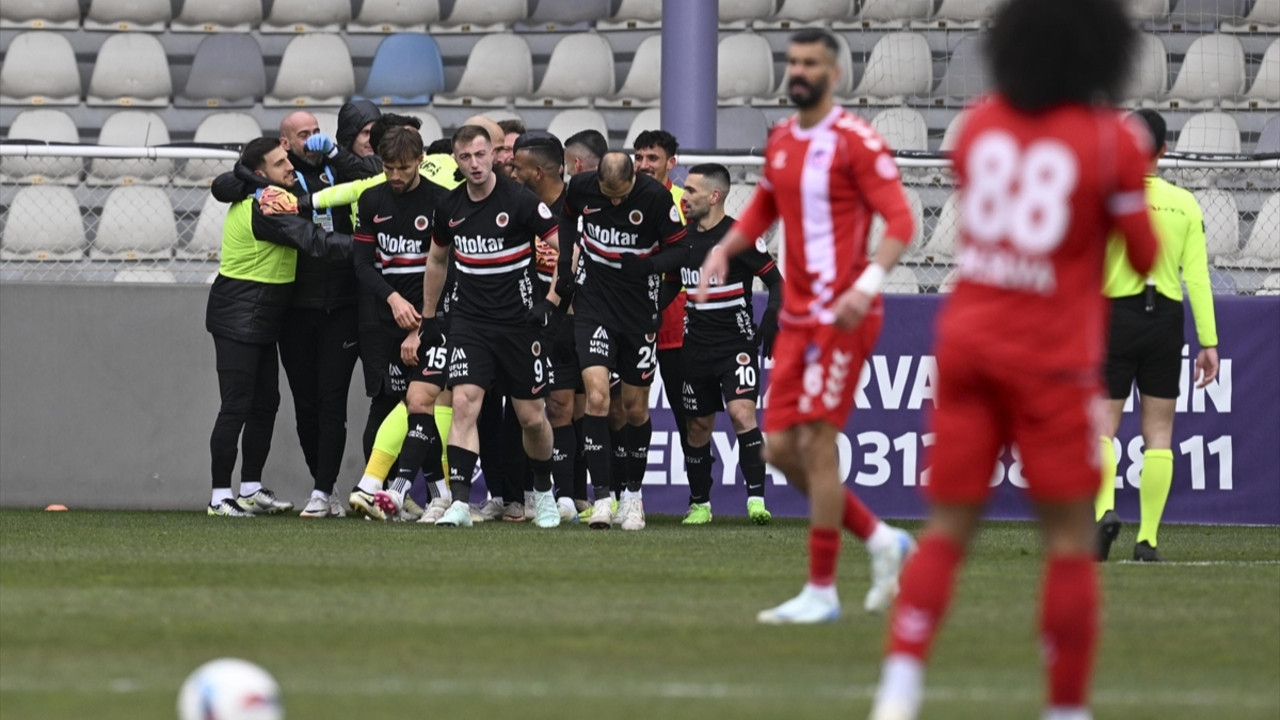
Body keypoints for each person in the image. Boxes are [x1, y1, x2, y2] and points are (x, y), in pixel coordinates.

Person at [862, 1, 1159, 717]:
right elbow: (1144, 254)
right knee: (1065, 539)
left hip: (966, 341)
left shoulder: (983, 127)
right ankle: (1065, 706)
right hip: (1050, 357)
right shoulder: (1110, 140)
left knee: (949, 529)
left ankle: (899, 688)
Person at [695, 29, 916, 623]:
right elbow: (765, 207)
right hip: (796, 318)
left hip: (845, 315)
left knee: (817, 444)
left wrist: (866, 287)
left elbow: (900, 222)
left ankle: (822, 589)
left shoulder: (856, 142)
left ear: (834, 75)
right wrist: (722, 252)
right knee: (779, 450)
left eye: (811, 62)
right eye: (793, 61)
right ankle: (881, 539)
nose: (799, 70)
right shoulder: (785, 141)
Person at [425, 125, 565, 530]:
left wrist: (551, 304)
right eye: (466, 157)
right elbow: (437, 261)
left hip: (520, 326)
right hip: (470, 323)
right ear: (456, 159)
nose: (474, 164)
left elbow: (567, 252)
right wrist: (429, 317)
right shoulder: (448, 206)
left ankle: (543, 492)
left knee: (531, 418)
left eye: (481, 155)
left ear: (494, 155)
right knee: (465, 404)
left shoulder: (520, 200)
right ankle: (461, 503)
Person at [1095, 109, 1219, 563]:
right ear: (1164, 150)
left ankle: (1103, 513)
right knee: (1159, 433)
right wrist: (1209, 341)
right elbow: (1199, 279)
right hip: (1165, 319)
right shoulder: (1184, 203)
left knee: (1101, 427)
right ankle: (1147, 541)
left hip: (1115, 314)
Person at [205, 137, 352, 517]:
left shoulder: (266, 195)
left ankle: (250, 488)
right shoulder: (264, 206)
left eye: (288, 158)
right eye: (279, 162)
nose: (290, 166)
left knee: (265, 403)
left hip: (261, 317)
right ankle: (220, 495)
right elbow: (313, 240)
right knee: (236, 405)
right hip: (239, 315)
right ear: (259, 174)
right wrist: (367, 248)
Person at [556, 152, 689, 531]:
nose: (614, 202)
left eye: (621, 195)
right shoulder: (581, 187)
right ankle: (603, 498)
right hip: (594, 304)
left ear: (634, 179)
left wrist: (649, 267)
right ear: (597, 180)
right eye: (607, 194)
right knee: (597, 397)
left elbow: (682, 250)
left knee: (633, 409)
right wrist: (567, 261)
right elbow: (566, 217)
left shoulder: (656, 198)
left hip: (637, 310)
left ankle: (632, 495)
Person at [330, 126, 455, 522]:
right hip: (385, 319)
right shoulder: (371, 200)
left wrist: (423, 324)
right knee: (389, 404)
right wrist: (394, 299)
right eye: (388, 168)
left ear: (420, 161)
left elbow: (449, 267)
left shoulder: (441, 202)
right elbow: (363, 264)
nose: (395, 176)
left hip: (431, 319)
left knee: (426, 404)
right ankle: (398, 494)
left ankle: (396, 491)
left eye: (403, 168)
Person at [274, 109, 371, 519]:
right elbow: (232, 180)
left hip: (343, 305)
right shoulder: (279, 175)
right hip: (296, 307)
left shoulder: (340, 166)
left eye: (317, 132)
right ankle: (325, 486)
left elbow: (374, 174)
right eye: (303, 135)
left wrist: (334, 152)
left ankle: (319, 490)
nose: (311, 139)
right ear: (285, 143)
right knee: (306, 403)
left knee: (332, 401)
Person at [676, 164, 781, 525]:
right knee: (697, 426)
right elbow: (664, 284)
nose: (684, 198)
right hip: (694, 348)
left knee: (741, 414)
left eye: (691, 191)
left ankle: (756, 499)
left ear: (714, 196)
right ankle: (701, 504)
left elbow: (777, 283)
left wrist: (769, 322)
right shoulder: (681, 239)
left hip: (735, 345)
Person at [511, 131, 586, 522]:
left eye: (517, 167)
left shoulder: (576, 210)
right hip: (527, 323)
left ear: (537, 172)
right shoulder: (515, 206)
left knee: (572, 408)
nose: (510, 171)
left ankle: (574, 495)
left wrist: (554, 307)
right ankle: (543, 495)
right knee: (541, 409)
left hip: (572, 321)